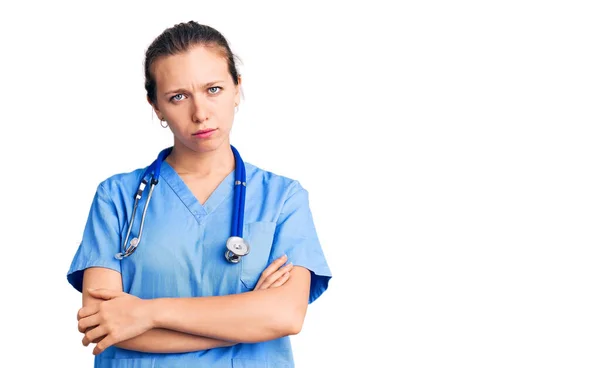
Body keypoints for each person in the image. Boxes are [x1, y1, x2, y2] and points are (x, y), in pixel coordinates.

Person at [66, 21, 332, 367]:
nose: (200, 113)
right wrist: (248, 318)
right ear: (156, 106)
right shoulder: (116, 198)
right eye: (178, 96)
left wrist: (147, 312)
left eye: (214, 89)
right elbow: (105, 325)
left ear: (237, 88)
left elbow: (285, 316)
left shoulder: (283, 199)